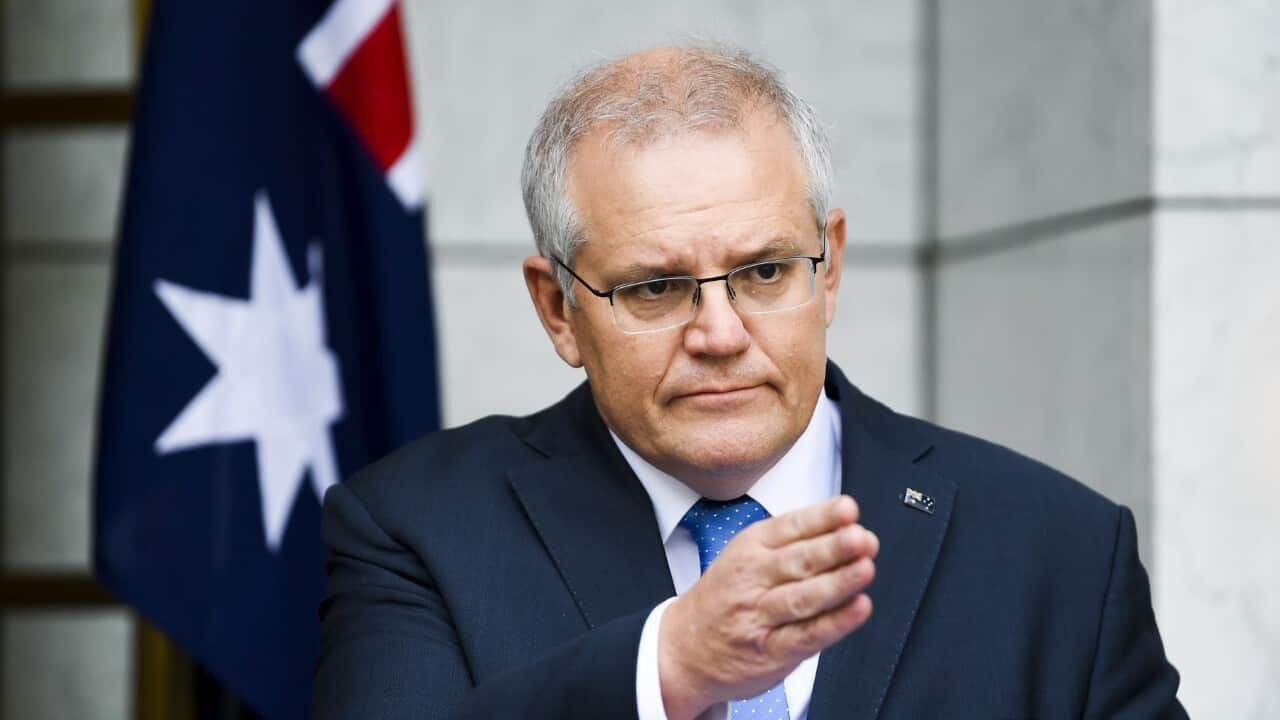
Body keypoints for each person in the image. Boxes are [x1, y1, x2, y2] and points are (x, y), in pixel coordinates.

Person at [313, 45, 1186, 719]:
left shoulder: (1056, 546)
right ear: (557, 310)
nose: (721, 335)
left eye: (765, 272)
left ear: (830, 267)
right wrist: (668, 668)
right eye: (655, 288)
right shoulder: (416, 530)